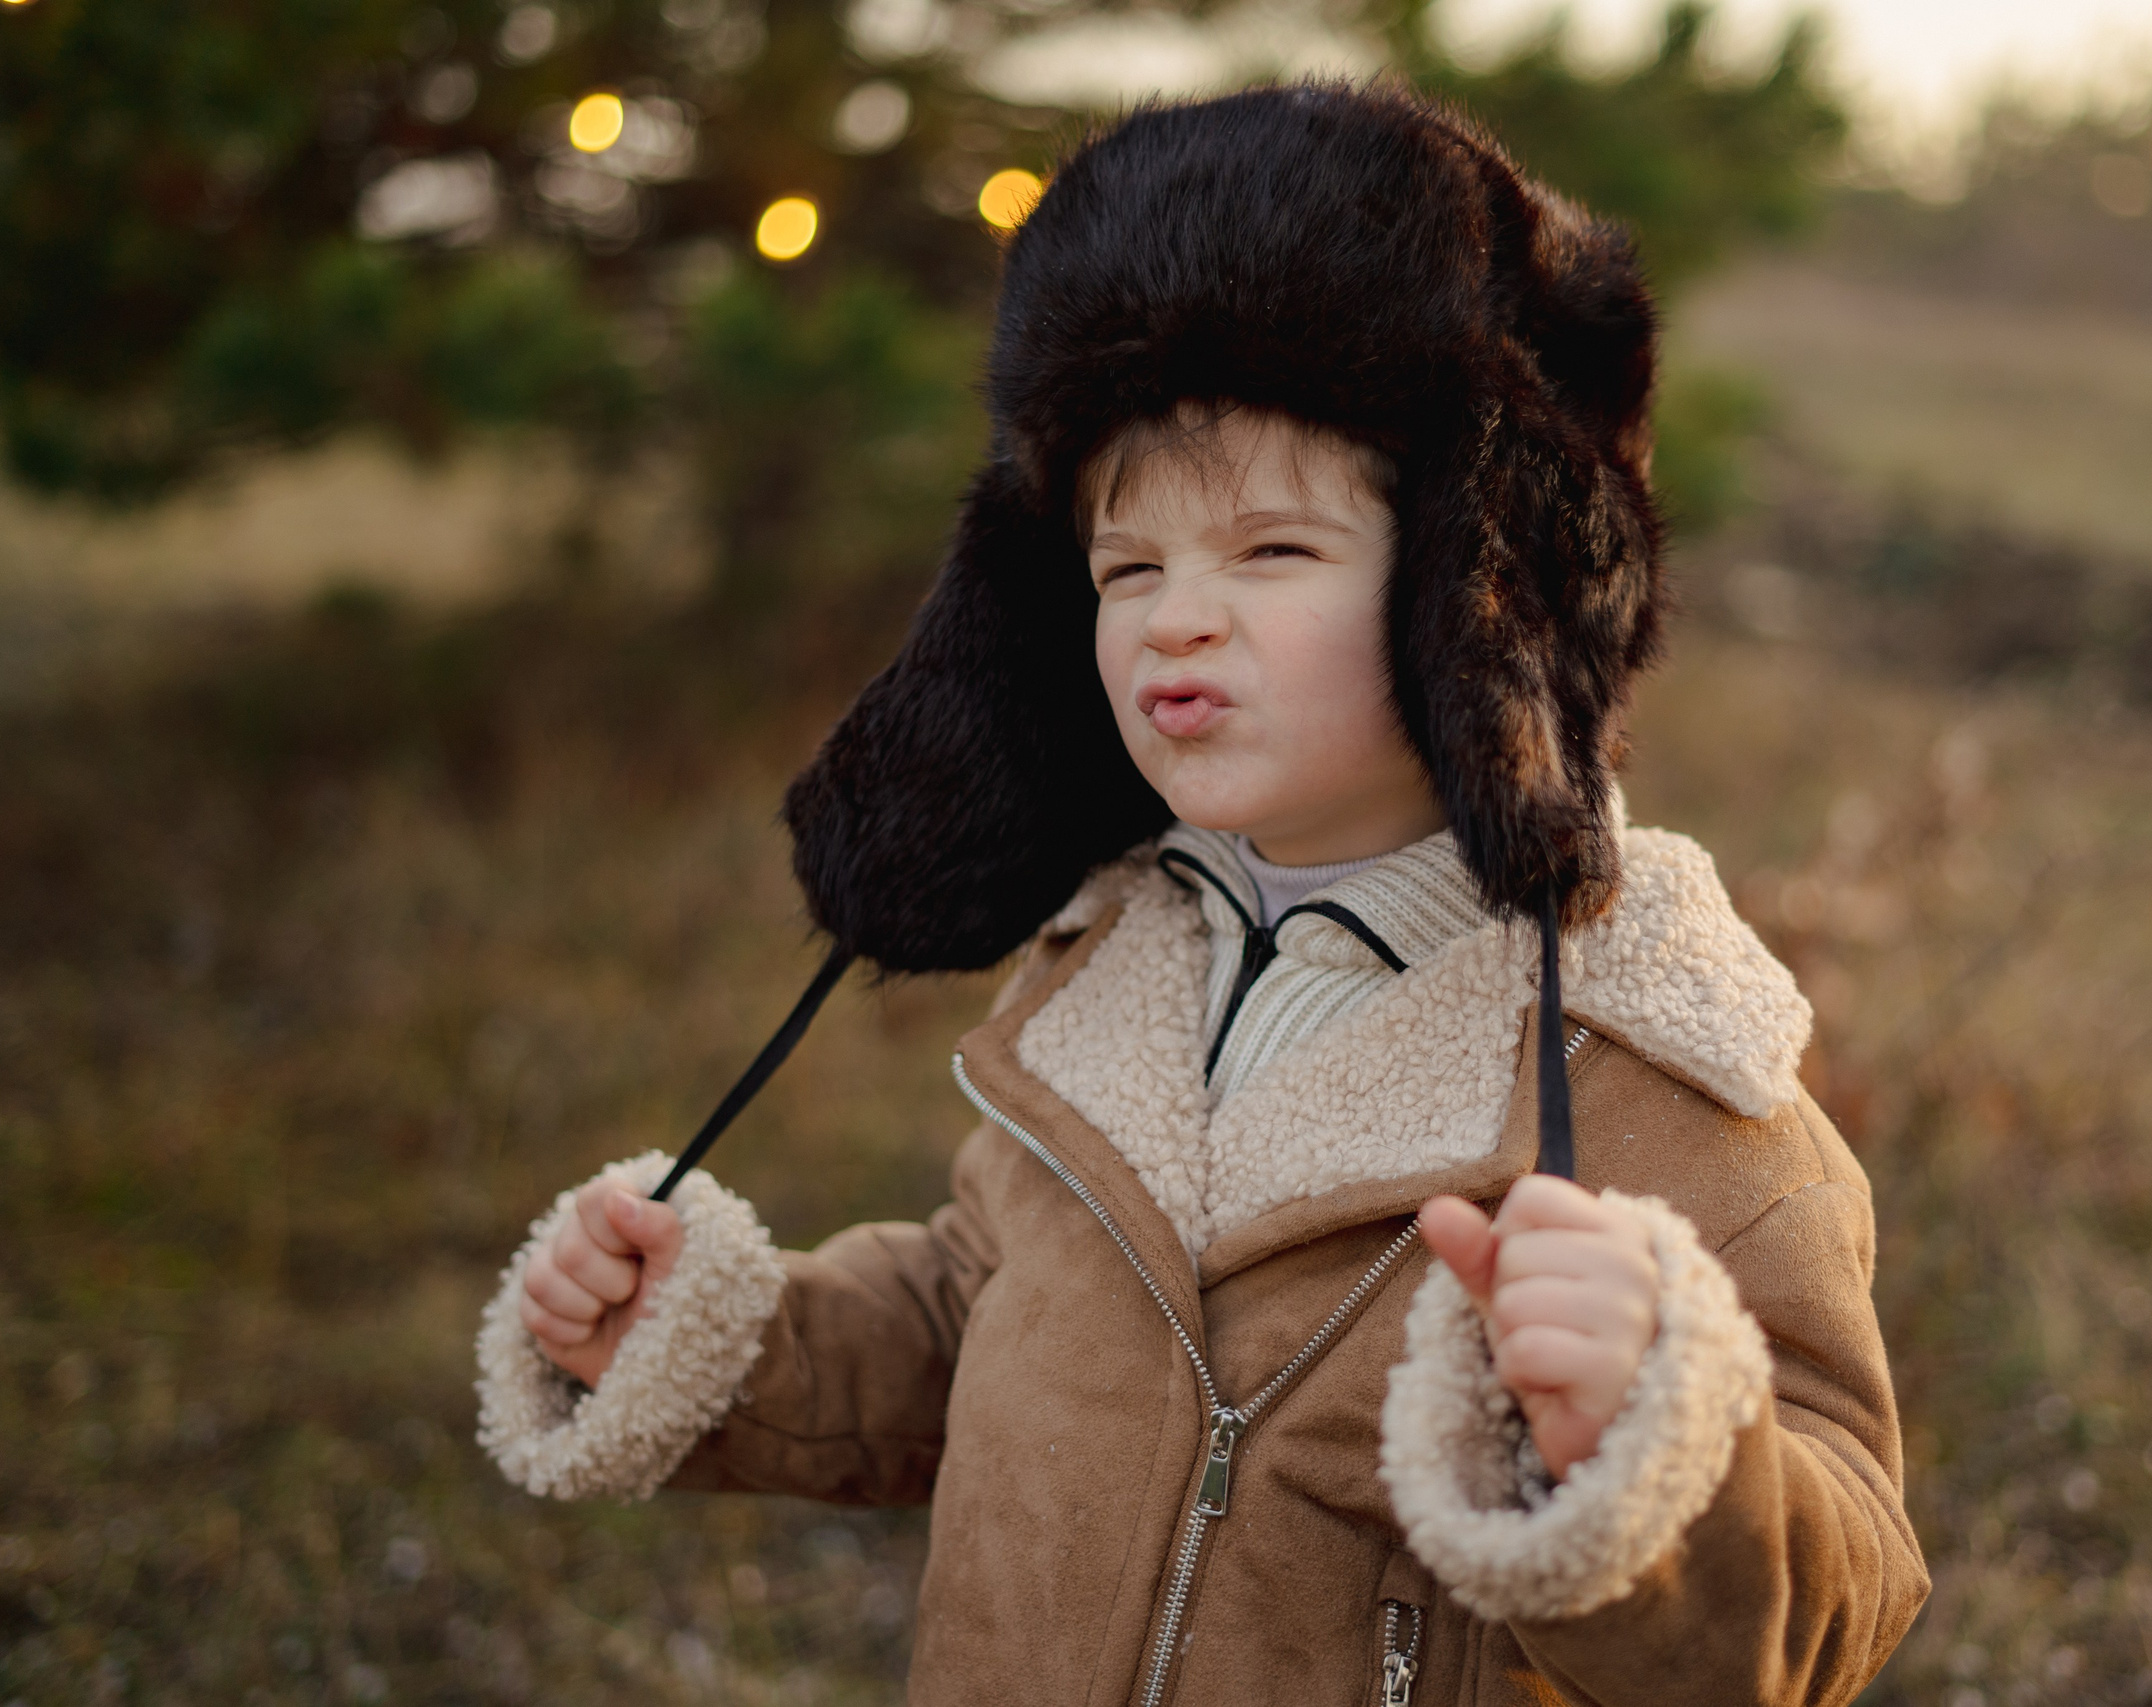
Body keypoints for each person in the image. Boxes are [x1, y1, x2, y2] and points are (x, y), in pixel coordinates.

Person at [474, 82, 1926, 1706]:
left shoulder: (1666, 1083)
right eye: (1128, 567)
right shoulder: (1109, 977)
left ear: (1482, 594)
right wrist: (715, 1339)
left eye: (1272, 554)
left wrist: (1659, 1446)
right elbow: (978, 1313)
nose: (1175, 620)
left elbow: (1843, 1587)